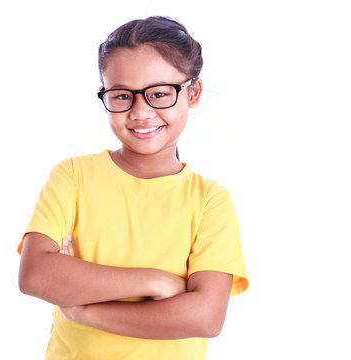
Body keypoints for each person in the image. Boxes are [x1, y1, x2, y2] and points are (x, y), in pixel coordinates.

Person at [17, 16, 249, 360]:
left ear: (193, 92)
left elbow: (205, 316)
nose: (141, 112)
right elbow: (36, 275)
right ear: (104, 95)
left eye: (159, 93)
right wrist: (156, 281)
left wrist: (85, 309)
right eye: (122, 95)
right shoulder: (74, 176)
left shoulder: (210, 201)